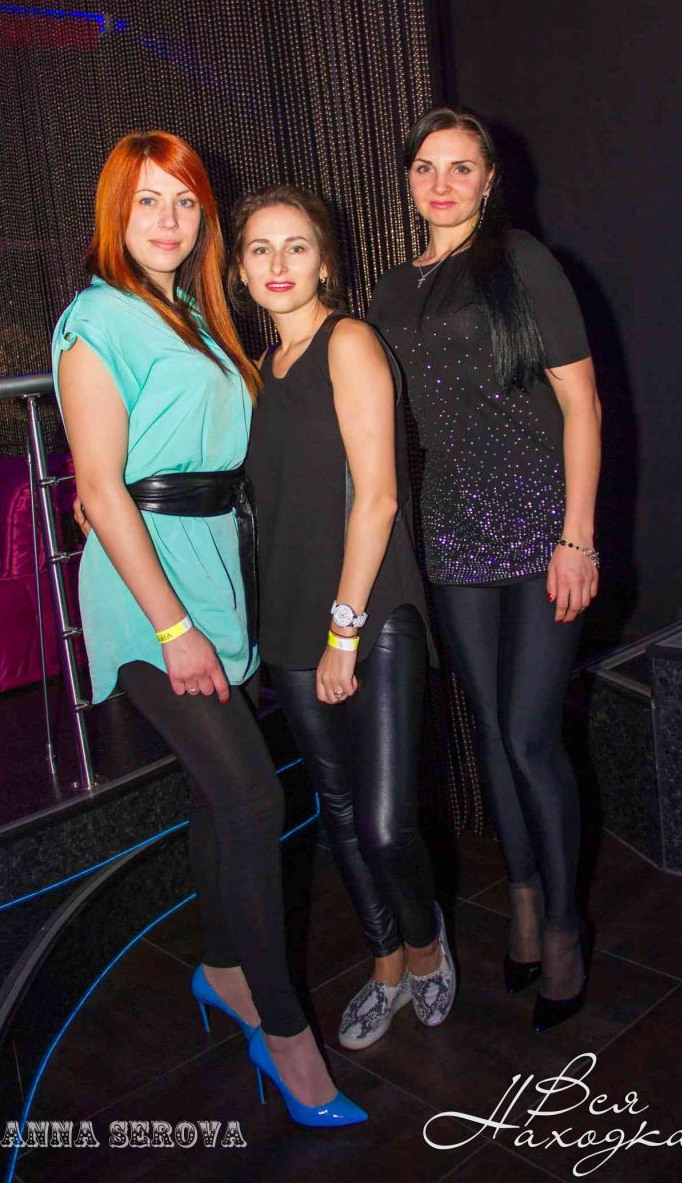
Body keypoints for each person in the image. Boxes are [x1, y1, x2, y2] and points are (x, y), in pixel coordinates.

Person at [54, 131, 366, 1127]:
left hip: (214, 568)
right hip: (149, 591)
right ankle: (285, 1035)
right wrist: (173, 626)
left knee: (214, 791)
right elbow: (101, 490)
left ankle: (223, 969)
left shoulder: (192, 312)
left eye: (185, 202)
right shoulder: (96, 318)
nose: (168, 220)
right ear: (116, 211)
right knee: (252, 798)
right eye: (148, 200)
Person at [367, 107, 601, 1033]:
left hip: (541, 523)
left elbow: (582, 406)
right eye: (427, 166)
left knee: (532, 735)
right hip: (453, 531)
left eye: (461, 167)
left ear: (490, 179)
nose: (442, 183)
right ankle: (526, 899)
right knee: (495, 737)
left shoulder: (523, 263)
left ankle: (568, 927)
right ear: (409, 179)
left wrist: (578, 537)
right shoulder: (391, 290)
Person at [230, 184, 456, 1050]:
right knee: (336, 810)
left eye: (296, 247)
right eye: (260, 248)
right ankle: (385, 961)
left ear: (325, 262)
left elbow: (380, 497)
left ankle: (427, 944)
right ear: (240, 268)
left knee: (385, 822)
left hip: (371, 610)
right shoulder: (255, 373)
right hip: (288, 619)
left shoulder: (350, 342)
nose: (278, 264)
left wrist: (345, 628)